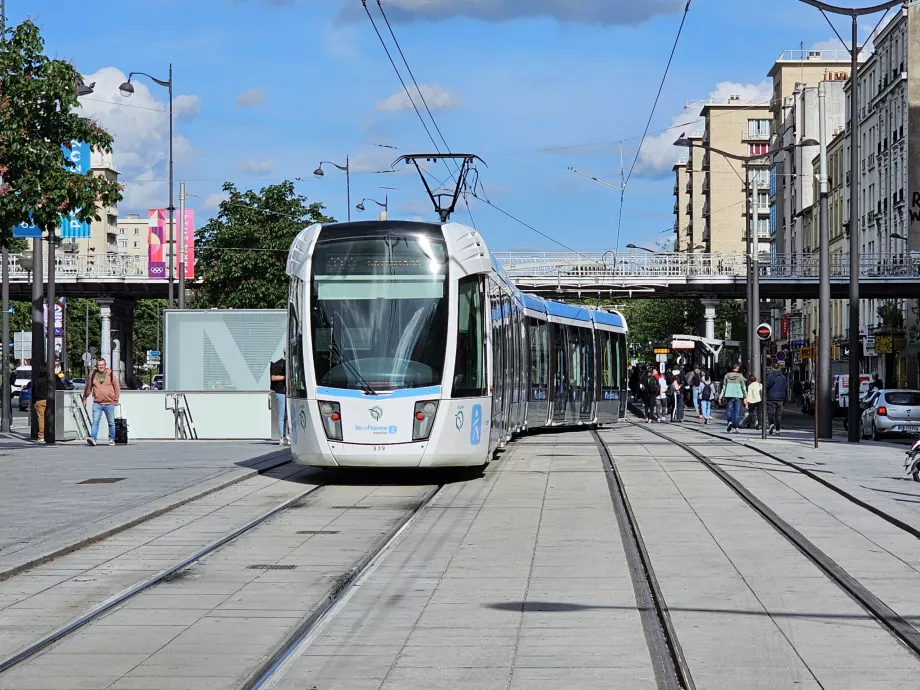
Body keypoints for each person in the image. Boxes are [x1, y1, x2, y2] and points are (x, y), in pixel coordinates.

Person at [81, 358, 120, 446]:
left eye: (102, 365)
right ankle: (93, 438)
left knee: (111, 423)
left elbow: (116, 387)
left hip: (109, 402)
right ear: (97, 366)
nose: (101, 366)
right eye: (99, 365)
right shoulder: (93, 374)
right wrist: (85, 398)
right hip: (97, 402)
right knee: (95, 422)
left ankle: (111, 439)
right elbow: (88, 387)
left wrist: (116, 399)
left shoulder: (110, 374)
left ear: (105, 365)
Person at [32, 365, 65, 442]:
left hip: (40, 400)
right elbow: (61, 385)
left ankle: (41, 435)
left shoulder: (37, 379)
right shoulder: (53, 378)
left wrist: (34, 400)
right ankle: (52, 433)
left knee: (41, 418)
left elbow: (34, 391)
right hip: (51, 399)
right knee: (52, 416)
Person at [720, 363, 748, 433]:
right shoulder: (740, 376)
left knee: (729, 410)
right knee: (737, 412)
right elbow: (743, 387)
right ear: (737, 368)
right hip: (738, 395)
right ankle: (736, 426)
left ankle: (730, 422)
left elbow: (724, 387)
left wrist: (721, 396)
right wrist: (746, 396)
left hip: (729, 394)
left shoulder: (726, 375)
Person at [270, 352, 288, 445]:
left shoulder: (291, 363)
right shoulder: (278, 364)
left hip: (288, 392)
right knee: (282, 415)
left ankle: (286, 436)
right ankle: (282, 437)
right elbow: (273, 377)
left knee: (287, 415)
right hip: (281, 392)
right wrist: (285, 377)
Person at [765, 364, 788, 435]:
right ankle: (777, 429)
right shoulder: (783, 377)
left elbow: (767, 385)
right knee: (778, 415)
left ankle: (771, 424)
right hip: (781, 397)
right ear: (778, 368)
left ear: (772, 368)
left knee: (771, 412)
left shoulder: (770, 376)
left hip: (771, 397)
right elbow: (786, 387)